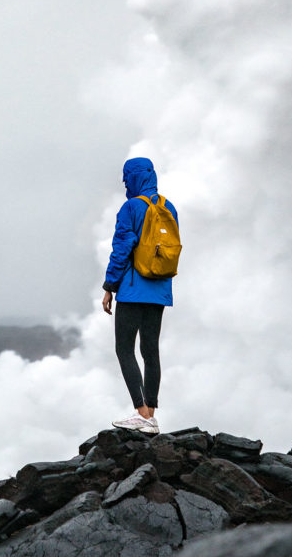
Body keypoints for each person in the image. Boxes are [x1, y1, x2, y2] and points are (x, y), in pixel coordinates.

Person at [102, 156, 178, 435]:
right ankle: (152, 416)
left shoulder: (131, 207)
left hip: (133, 289)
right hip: (160, 289)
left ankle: (141, 413)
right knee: (150, 350)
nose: (124, 182)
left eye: (126, 177)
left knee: (124, 348)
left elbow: (122, 248)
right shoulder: (168, 207)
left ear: (133, 177)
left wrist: (110, 285)